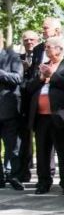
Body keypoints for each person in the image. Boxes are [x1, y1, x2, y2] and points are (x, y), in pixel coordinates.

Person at [27, 35, 64, 194]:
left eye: (48, 46)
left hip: (60, 115)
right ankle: (43, 182)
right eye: (45, 47)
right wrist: (41, 78)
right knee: (42, 152)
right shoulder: (42, 65)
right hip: (41, 116)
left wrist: (52, 75)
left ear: (59, 49)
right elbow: (29, 88)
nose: (45, 49)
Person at [0, 34, 24, 190]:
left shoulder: (12, 56)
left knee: (12, 146)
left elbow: (17, 78)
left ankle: (13, 175)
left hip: (8, 108)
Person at [18, 30, 40, 183]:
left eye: (32, 39)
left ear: (37, 41)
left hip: (38, 101)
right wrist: (23, 70)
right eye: (26, 40)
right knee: (24, 138)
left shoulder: (42, 56)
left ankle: (46, 171)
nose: (29, 42)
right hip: (22, 103)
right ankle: (24, 171)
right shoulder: (17, 58)